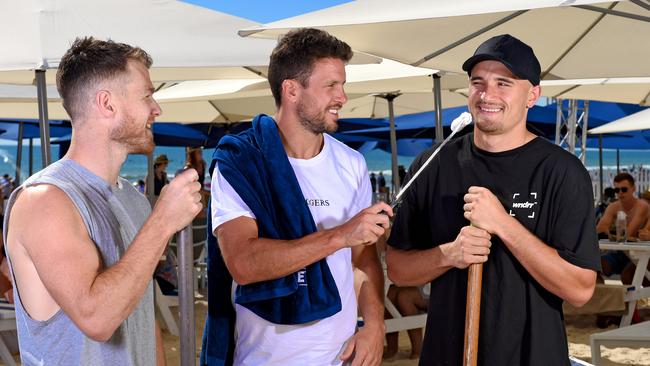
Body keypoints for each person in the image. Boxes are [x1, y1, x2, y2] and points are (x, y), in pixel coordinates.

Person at [386, 34, 600, 365]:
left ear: (532, 95)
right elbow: (398, 270)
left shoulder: (561, 172)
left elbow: (580, 290)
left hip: (533, 356)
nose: (487, 94)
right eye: (478, 82)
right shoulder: (435, 164)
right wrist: (450, 254)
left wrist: (503, 224)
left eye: (504, 83)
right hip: (448, 353)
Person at [3, 37, 202, 365]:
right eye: (147, 95)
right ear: (107, 104)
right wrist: (164, 219)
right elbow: (96, 319)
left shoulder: (135, 201)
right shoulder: (45, 201)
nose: (157, 109)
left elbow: (140, 316)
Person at [202, 28, 391, 366]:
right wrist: (340, 236)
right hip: (266, 357)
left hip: (343, 355)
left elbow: (362, 260)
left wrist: (375, 325)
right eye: (331, 86)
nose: (343, 97)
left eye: (342, 85)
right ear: (291, 89)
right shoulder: (243, 163)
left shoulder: (352, 163)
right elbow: (243, 263)